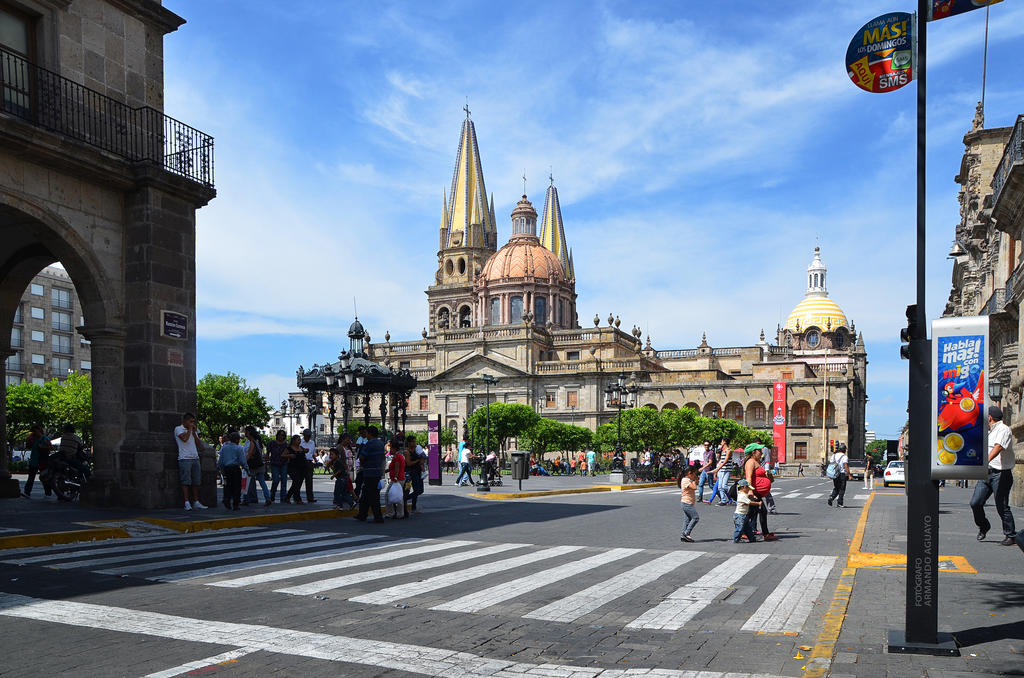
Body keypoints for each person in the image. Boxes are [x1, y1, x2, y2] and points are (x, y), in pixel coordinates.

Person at [971, 406, 1017, 545]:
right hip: (987, 473)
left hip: (1001, 473)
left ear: (989, 417)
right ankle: (984, 525)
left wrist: (986, 461)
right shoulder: (988, 432)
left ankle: (1010, 535)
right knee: (975, 503)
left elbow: (998, 447)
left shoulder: (1004, 429)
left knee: (1001, 505)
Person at [174, 413, 208, 511]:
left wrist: (194, 433)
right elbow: (184, 439)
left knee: (196, 481)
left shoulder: (193, 431)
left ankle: (196, 501)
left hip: (195, 458)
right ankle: (186, 502)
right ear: (185, 421)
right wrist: (189, 429)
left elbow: (198, 444)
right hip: (184, 458)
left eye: (193, 422)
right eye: (191, 421)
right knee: (186, 481)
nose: (192, 423)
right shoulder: (178, 429)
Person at [744, 443, 777, 540]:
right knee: (759, 512)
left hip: (757, 492)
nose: (761, 453)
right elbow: (748, 477)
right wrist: (750, 491)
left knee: (755, 512)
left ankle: (744, 531)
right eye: (759, 451)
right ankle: (763, 534)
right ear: (753, 452)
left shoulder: (756, 461)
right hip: (754, 492)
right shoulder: (750, 462)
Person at [355, 426, 385, 522]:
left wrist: (363, 464)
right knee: (366, 494)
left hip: (369, 472)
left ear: (370, 434)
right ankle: (362, 514)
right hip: (377, 471)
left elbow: (362, 457)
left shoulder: (369, 444)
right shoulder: (381, 444)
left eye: (367, 433)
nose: (366, 435)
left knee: (372, 495)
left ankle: (378, 517)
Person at [217, 430, 248, 510]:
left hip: (227, 469)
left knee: (227, 486)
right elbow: (242, 460)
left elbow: (220, 461)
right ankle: (235, 503)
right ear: (237, 440)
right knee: (237, 487)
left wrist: (221, 469)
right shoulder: (239, 448)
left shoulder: (224, 448)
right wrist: (247, 469)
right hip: (235, 469)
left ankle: (226, 500)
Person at [242, 426, 271, 506]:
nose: (245, 434)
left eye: (246, 433)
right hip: (259, 465)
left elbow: (250, 454)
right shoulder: (258, 441)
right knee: (262, 483)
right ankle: (267, 498)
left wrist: (244, 462)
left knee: (247, 483)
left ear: (250, 433)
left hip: (252, 466)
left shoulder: (252, 442)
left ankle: (246, 499)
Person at [22, 424, 52, 498]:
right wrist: (29, 440)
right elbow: (28, 447)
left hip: (42, 461)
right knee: (31, 478)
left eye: (34, 431)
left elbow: (51, 447)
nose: (34, 433)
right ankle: (27, 492)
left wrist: (43, 447)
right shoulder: (33, 439)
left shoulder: (45, 438)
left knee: (44, 478)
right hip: (33, 461)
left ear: (39, 430)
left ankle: (48, 492)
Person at [328, 444, 356, 510]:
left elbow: (340, 470)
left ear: (337, 455)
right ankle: (351, 503)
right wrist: (331, 466)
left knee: (337, 492)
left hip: (341, 479)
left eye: (332, 454)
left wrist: (333, 475)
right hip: (344, 479)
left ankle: (339, 505)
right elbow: (336, 470)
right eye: (330, 454)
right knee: (344, 493)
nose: (330, 456)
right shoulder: (335, 462)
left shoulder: (338, 461)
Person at [282, 435, 307, 504]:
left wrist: (306, 451)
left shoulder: (301, 448)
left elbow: (304, 452)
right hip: (292, 467)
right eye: (298, 440)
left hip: (301, 467)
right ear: (293, 441)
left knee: (298, 483)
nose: (299, 441)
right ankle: (297, 498)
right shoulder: (289, 448)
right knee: (296, 481)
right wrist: (289, 455)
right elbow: (282, 455)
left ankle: (288, 497)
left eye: (300, 440)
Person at [679, 465, 700, 543]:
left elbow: (696, 484)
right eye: (694, 474)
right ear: (689, 473)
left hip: (688, 503)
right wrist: (694, 481)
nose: (695, 475)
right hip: (686, 503)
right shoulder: (685, 480)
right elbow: (694, 487)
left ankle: (683, 535)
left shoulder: (688, 480)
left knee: (687, 520)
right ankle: (686, 533)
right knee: (695, 517)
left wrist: (696, 479)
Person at [267, 430, 289, 502]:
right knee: (275, 480)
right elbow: (268, 453)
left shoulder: (286, 444)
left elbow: (288, 454)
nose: (281, 436)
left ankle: (283, 497)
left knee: (284, 481)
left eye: (283, 435)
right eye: (280, 435)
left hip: (284, 464)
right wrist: (266, 463)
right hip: (274, 464)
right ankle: (272, 493)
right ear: (277, 435)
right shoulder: (272, 443)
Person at [405, 436, 426, 512]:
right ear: (409, 443)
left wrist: (422, 461)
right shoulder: (407, 452)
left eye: (415, 441)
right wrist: (418, 460)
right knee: (416, 490)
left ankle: (406, 499)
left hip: (418, 471)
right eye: (413, 442)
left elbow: (422, 460)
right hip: (412, 472)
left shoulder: (417, 450)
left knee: (420, 490)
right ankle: (410, 504)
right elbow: (409, 463)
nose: (415, 443)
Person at [386, 441, 406, 519]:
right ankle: (400, 513)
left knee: (388, 495)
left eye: (391, 448)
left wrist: (395, 477)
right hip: (400, 478)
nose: (390, 450)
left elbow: (397, 467)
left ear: (394, 448)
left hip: (397, 479)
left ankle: (390, 513)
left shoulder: (397, 457)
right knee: (399, 496)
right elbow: (394, 467)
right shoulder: (399, 456)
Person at [827, 443, 851, 508]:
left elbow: (831, 464)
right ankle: (839, 503)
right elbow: (845, 465)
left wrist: (830, 474)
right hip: (842, 474)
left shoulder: (834, 455)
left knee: (836, 487)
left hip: (835, 474)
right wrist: (849, 474)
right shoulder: (844, 456)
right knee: (842, 489)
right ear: (844, 450)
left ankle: (831, 497)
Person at [299, 429, 317, 503]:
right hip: (301, 462)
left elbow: (312, 453)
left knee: (309, 481)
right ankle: (297, 497)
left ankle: (310, 497)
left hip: (309, 462)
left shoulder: (312, 443)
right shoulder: (300, 442)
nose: (308, 437)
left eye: (309, 436)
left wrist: (315, 459)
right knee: (299, 481)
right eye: (307, 436)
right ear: (304, 435)